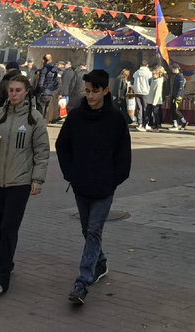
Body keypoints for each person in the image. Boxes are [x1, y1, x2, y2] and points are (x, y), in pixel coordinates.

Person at [55, 69, 131, 307]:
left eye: (94, 91)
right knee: (87, 231)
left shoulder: (116, 119)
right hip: (81, 185)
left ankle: (83, 282)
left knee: (94, 230)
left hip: (104, 188)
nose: (90, 95)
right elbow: (62, 145)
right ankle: (100, 263)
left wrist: (113, 180)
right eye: (87, 91)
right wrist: (71, 173)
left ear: (105, 91)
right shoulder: (76, 116)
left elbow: (124, 156)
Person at [0, 74, 49, 294]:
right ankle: (7, 262)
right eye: (11, 90)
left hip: (20, 182)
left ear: (26, 91)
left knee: (9, 226)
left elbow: (42, 152)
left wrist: (37, 179)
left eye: (18, 90)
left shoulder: (34, 118)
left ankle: (1, 277)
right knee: (0, 226)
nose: (14, 94)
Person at [131, 61, 153, 130]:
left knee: (139, 108)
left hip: (137, 92)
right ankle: (145, 123)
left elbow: (132, 82)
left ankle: (140, 123)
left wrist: (134, 88)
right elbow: (151, 83)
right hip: (146, 92)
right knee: (146, 108)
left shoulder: (136, 73)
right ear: (147, 65)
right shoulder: (149, 73)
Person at [146, 65, 165, 131]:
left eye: (154, 74)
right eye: (152, 73)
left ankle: (156, 127)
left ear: (158, 74)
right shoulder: (153, 80)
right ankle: (145, 124)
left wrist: (154, 102)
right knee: (147, 113)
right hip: (150, 100)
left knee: (156, 114)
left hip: (155, 101)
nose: (153, 75)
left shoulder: (159, 81)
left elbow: (157, 93)